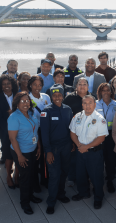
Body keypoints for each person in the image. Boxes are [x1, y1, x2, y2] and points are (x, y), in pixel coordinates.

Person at [70, 95, 108, 209]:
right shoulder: (77, 116)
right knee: (80, 174)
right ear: (82, 105)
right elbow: (72, 132)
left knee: (96, 176)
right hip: (80, 151)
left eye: (90, 103)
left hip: (94, 153)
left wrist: (86, 147)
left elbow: (101, 138)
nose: (87, 105)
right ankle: (83, 193)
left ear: (95, 104)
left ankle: (98, 198)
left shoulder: (100, 119)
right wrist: (78, 145)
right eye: (85, 103)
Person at [41, 84, 74, 214]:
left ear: (63, 96)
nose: (57, 98)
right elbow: (44, 133)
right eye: (54, 95)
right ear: (51, 97)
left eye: (59, 95)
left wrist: (72, 143)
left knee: (64, 172)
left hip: (66, 146)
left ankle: (61, 193)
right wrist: (48, 151)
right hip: (53, 149)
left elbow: (71, 128)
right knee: (54, 175)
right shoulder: (46, 111)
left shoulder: (68, 109)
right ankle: (51, 201)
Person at [8, 92, 43, 215]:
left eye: (27, 100)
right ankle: (25, 202)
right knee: (25, 178)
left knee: (32, 174)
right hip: (22, 152)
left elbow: (35, 132)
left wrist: (38, 147)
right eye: (22, 101)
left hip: (33, 149)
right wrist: (20, 156)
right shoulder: (14, 117)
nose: (26, 103)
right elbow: (13, 139)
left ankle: (30, 195)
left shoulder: (31, 113)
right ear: (17, 103)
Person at [63, 78, 95, 186]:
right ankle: (72, 178)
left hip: (90, 133)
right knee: (74, 157)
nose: (82, 86)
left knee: (88, 156)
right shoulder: (69, 98)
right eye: (80, 84)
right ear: (76, 86)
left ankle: (88, 177)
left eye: (84, 84)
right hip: (74, 133)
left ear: (88, 86)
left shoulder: (92, 97)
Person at [0, 75, 19, 189]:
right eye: (4, 84)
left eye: (8, 84)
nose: (6, 86)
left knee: (19, 153)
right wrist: (9, 130)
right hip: (6, 131)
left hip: (20, 130)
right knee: (8, 154)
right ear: (0, 86)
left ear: (12, 84)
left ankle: (17, 175)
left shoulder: (18, 96)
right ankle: (8, 176)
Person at [95, 83, 116, 193]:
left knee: (110, 159)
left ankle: (110, 180)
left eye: (108, 90)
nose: (106, 92)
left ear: (111, 92)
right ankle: (98, 181)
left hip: (111, 135)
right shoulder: (95, 104)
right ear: (100, 92)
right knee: (99, 159)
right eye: (103, 90)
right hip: (98, 134)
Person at [28, 75, 51, 191]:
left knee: (44, 155)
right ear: (30, 85)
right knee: (35, 156)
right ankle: (34, 183)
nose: (37, 87)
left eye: (40, 85)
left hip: (45, 130)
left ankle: (45, 179)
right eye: (35, 85)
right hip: (33, 131)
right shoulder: (27, 98)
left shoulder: (46, 97)